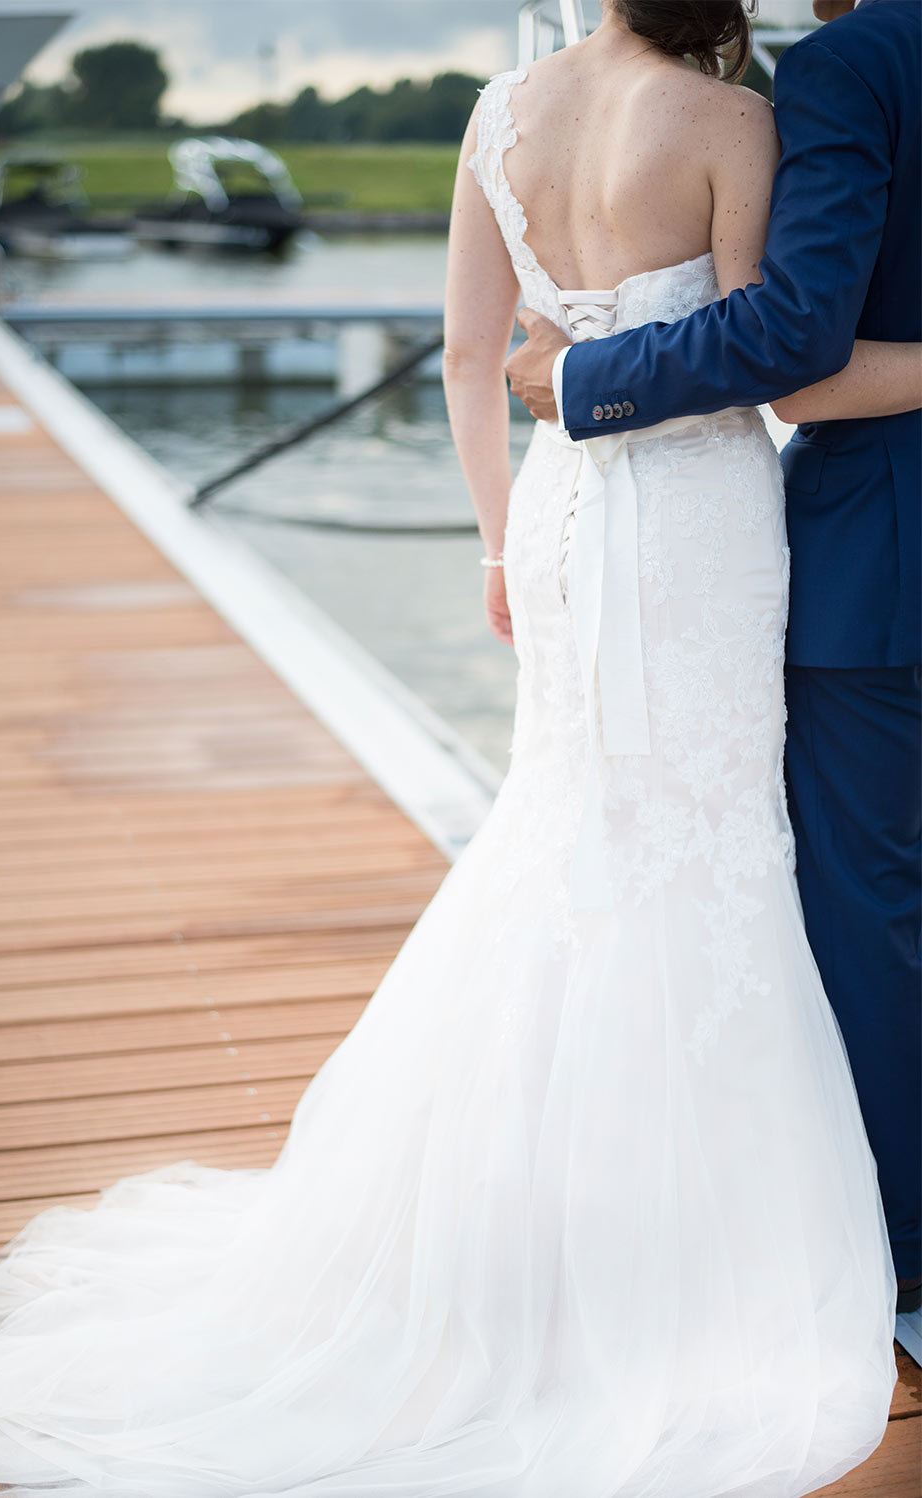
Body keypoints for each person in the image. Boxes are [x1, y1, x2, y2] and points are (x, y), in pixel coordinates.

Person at [0, 5, 900, 1494]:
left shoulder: (500, 114)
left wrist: (497, 549)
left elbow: (466, 354)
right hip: (703, 523)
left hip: (570, 510)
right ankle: (700, 1237)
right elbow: (780, 356)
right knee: (711, 840)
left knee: (570, 828)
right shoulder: (733, 124)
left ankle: (512, 1231)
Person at [503, 0, 920, 1318]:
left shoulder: (857, 61)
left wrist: (585, 382)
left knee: (877, 910)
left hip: (883, 569)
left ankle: (896, 1243)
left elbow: (799, 345)